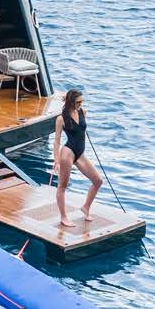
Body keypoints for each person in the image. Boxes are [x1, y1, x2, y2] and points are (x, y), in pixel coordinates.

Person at [52, 89, 103, 226]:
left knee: (98, 181)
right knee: (62, 186)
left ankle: (86, 207)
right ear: (71, 102)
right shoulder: (61, 119)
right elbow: (56, 141)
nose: (81, 104)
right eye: (78, 102)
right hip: (67, 153)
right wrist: (56, 161)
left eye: (82, 101)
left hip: (80, 153)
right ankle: (63, 217)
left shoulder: (82, 112)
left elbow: (81, 131)